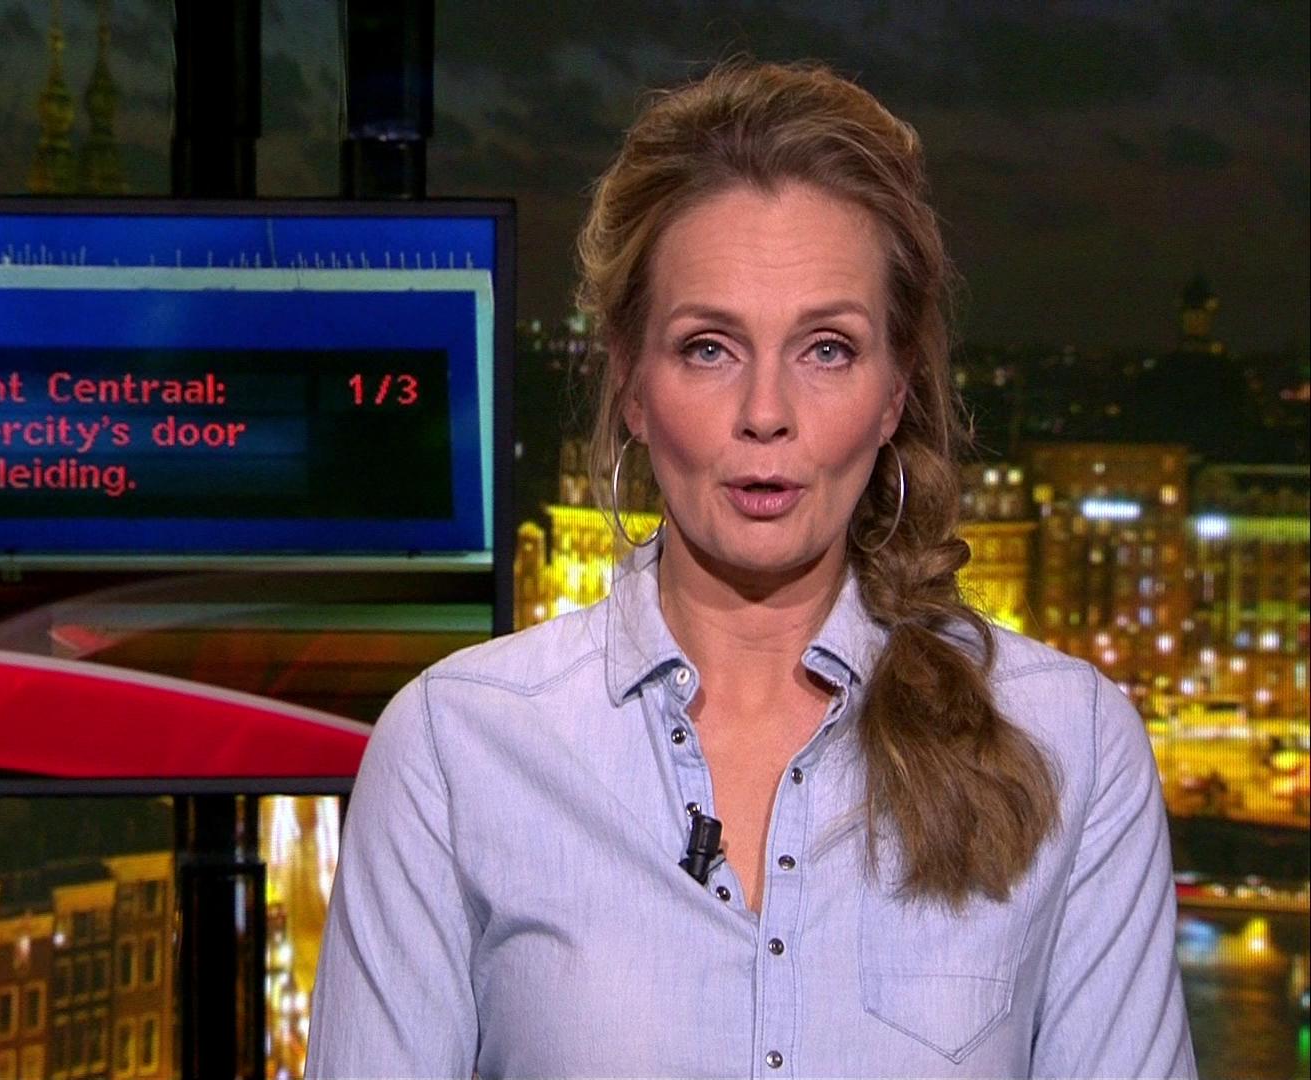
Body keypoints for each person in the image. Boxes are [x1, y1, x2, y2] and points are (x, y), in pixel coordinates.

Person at [304, 60, 1197, 1079]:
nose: (765, 413)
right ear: (632, 383)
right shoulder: (453, 752)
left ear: (896, 391)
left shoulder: (1073, 745)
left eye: (827, 349)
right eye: (708, 349)